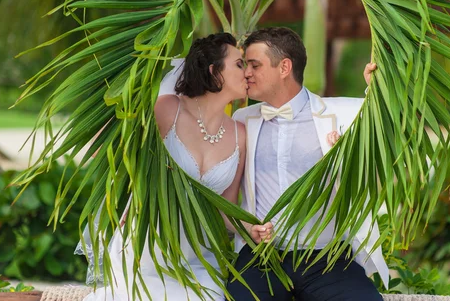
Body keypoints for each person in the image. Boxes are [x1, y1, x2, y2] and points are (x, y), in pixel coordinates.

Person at [82, 33, 272, 301]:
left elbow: (224, 209)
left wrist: (248, 228)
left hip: (200, 258)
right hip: (148, 249)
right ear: (214, 71)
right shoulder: (168, 110)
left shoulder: (240, 134)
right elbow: (108, 151)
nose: (248, 72)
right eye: (240, 64)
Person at [228, 27, 388, 300]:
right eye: (246, 66)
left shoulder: (346, 114)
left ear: (285, 67)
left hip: (327, 258)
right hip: (261, 257)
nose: (247, 73)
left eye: (255, 65)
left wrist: (380, 89)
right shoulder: (242, 120)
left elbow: (396, 125)